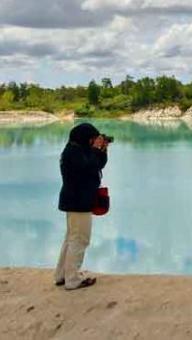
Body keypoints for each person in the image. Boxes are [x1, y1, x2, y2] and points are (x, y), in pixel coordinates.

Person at [54, 122, 108, 289]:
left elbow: (96, 165)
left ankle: (62, 275)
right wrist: (95, 149)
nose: (95, 141)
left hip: (75, 201)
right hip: (79, 202)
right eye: (93, 138)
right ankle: (73, 279)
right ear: (86, 138)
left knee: (71, 238)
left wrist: (102, 150)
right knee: (80, 239)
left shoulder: (75, 150)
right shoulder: (75, 153)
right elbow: (88, 166)